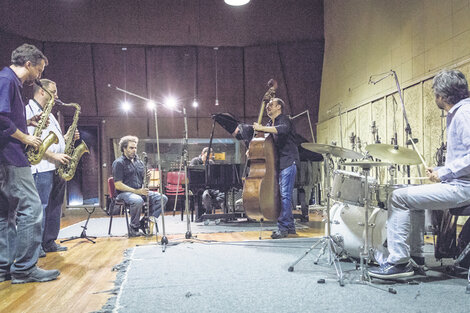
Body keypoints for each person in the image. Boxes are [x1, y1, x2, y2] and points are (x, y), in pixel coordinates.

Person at [368, 69, 470, 279]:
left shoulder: (464, 114)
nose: (435, 98)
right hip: (459, 183)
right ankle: (414, 256)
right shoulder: (460, 113)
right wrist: (441, 171)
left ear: (441, 96)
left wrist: (446, 173)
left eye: (435, 94)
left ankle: (399, 262)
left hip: (463, 188)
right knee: (409, 194)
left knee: (397, 198)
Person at [0, 43, 60, 284]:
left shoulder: (7, 80)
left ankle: (4, 268)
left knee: (5, 214)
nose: (39, 76)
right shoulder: (7, 80)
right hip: (12, 158)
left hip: (5, 157)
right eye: (39, 70)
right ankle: (25, 269)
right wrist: (26, 137)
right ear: (28, 64)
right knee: (33, 209)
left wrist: (29, 122)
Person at [26, 79, 79, 254]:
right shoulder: (28, 112)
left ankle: (49, 241)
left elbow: (55, 140)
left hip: (56, 167)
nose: (57, 96)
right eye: (54, 92)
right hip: (40, 167)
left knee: (55, 206)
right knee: (40, 207)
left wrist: (67, 137)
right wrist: (53, 155)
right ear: (42, 91)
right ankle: (36, 247)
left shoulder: (49, 114)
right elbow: (31, 143)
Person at [253, 97, 300, 239]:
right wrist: (253, 148)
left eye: (271, 105)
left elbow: (283, 130)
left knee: (285, 195)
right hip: (278, 163)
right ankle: (290, 227)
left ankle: (283, 228)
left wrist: (262, 128)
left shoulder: (284, 119)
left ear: (279, 107)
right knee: (283, 196)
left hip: (288, 161)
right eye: (267, 105)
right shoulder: (269, 123)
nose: (268, 107)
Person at [112, 135, 168, 237]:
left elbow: (144, 181)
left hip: (139, 191)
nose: (134, 150)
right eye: (131, 148)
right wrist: (137, 191)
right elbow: (118, 185)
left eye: (135, 148)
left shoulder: (139, 162)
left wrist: (148, 178)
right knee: (138, 200)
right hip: (124, 193)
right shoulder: (119, 163)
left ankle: (143, 222)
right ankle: (134, 228)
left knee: (162, 198)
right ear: (124, 148)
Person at [190, 147, 225, 220]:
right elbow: (192, 175)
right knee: (206, 195)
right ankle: (208, 214)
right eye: (206, 157)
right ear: (202, 154)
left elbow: (215, 176)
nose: (208, 159)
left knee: (223, 195)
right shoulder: (195, 161)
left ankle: (225, 215)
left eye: (209, 157)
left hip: (210, 187)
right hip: (199, 186)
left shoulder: (211, 162)